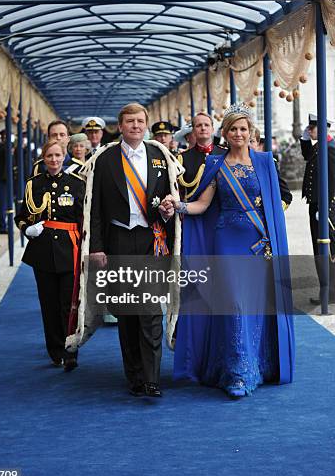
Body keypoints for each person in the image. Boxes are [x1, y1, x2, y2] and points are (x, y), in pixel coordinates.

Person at [162, 104, 295, 398]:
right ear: (225, 133)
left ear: (251, 132)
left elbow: (274, 207)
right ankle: (236, 373)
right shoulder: (215, 165)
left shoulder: (265, 163)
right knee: (234, 304)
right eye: (233, 128)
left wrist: (274, 239)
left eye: (243, 128)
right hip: (226, 242)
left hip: (258, 243)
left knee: (255, 307)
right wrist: (178, 205)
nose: (238, 133)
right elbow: (203, 205)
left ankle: (258, 366)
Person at [86, 103, 182, 397]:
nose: (136, 126)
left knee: (151, 310)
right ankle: (135, 376)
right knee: (127, 312)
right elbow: (95, 208)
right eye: (130, 122)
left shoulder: (159, 156)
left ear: (146, 124)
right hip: (118, 240)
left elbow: (170, 197)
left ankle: (153, 378)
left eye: (140, 121)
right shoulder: (105, 159)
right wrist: (97, 247)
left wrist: (167, 209)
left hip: (151, 239)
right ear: (120, 126)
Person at [15, 140, 85, 371]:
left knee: (69, 303)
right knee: (49, 303)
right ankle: (55, 350)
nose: (54, 160)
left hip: (69, 249)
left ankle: (71, 350)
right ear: (43, 159)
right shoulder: (33, 184)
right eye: (49, 156)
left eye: (57, 156)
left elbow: (83, 218)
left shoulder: (76, 184)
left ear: (64, 157)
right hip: (43, 250)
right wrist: (27, 229)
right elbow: (22, 215)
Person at [300, 113, 335, 304]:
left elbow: (334, 181)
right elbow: (307, 156)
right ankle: (327, 291)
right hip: (316, 204)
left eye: (311, 129)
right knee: (318, 248)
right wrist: (304, 140)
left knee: (327, 249)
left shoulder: (330, 149)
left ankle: (330, 293)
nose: (309, 131)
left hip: (325, 206)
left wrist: (328, 208)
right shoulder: (319, 146)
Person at [177, 112, 225, 200]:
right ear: (193, 131)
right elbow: (180, 192)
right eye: (199, 125)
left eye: (206, 125)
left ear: (212, 129)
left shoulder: (225, 154)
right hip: (194, 208)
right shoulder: (183, 158)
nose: (203, 128)